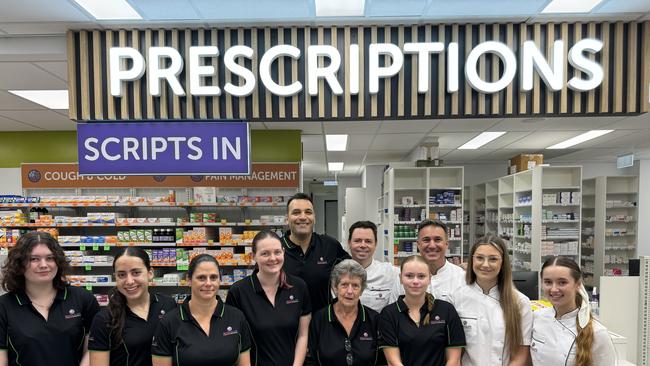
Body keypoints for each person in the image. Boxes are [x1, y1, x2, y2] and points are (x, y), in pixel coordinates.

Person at [0, 231, 100, 366]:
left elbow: (94, 349)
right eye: (34, 259)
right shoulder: (4, 306)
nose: (43, 265)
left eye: (50, 258)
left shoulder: (83, 300)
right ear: (19, 264)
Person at [226, 230, 311, 366]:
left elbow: (303, 335)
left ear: (284, 252)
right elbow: (235, 342)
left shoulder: (299, 287)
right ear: (253, 256)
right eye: (265, 253)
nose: (273, 258)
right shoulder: (239, 292)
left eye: (277, 252)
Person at [152, 254, 251, 366]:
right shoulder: (169, 322)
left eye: (213, 277)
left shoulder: (237, 317)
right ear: (189, 280)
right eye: (201, 278)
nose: (208, 283)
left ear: (220, 280)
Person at [448, 234, 532, 366]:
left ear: (503, 262)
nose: (485, 265)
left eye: (493, 259)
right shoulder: (456, 297)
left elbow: (520, 356)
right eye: (480, 258)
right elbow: (452, 352)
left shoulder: (520, 303)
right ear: (471, 260)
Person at [88, 247, 177, 366]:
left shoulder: (168, 305)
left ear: (150, 273)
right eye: (122, 275)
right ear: (115, 277)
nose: (129, 281)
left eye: (136, 273)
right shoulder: (104, 319)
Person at [379, 255, 465, 366]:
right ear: (400, 278)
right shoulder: (389, 314)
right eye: (409, 276)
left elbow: (454, 361)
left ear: (429, 279)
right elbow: (393, 362)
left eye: (421, 276)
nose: (415, 281)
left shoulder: (446, 310)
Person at [531, 256, 616, 366]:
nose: (554, 289)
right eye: (548, 282)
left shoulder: (597, 333)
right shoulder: (537, 317)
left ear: (578, 284)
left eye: (562, 282)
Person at [282, 193, 350, 312]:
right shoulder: (275, 248)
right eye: (296, 212)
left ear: (314, 217)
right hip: (286, 326)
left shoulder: (329, 245)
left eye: (308, 212)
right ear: (287, 218)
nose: (303, 217)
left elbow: (352, 272)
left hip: (322, 324)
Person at [307, 259, 381, 366]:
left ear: (362, 290)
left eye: (355, 286)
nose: (350, 291)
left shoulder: (374, 319)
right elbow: (311, 361)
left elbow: (382, 360)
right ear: (335, 287)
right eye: (344, 285)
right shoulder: (319, 319)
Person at [390, 220, 465, 304]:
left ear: (446, 244)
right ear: (418, 245)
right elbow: (393, 312)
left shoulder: (461, 277)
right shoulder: (405, 278)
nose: (432, 246)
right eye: (426, 240)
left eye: (437, 240)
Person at [348, 221, 400, 312]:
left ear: (375, 244)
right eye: (357, 241)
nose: (363, 245)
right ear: (349, 243)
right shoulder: (339, 273)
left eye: (368, 241)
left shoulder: (390, 272)